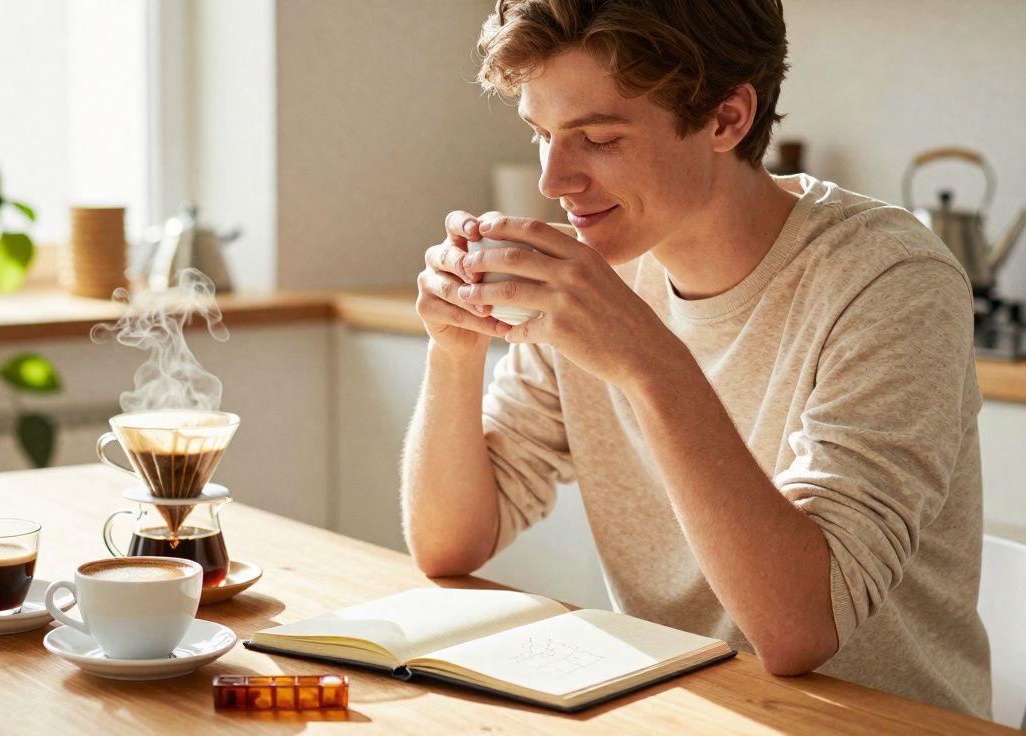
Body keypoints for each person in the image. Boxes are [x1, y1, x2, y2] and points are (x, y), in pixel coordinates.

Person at [401, 0, 990, 717]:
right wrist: (456, 348)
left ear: (725, 119)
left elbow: (800, 631)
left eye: (599, 138)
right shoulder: (600, 276)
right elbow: (449, 544)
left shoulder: (889, 279)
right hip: (678, 711)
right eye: (542, 135)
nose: (553, 180)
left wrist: (647, 361)